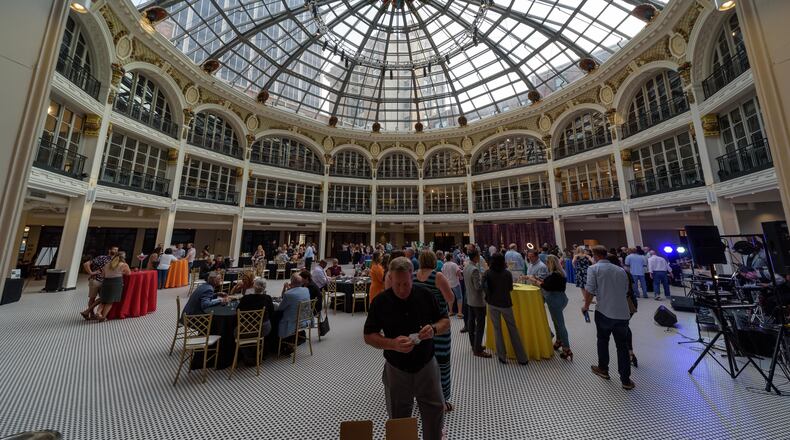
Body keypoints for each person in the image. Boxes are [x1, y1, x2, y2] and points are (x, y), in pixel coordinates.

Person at [364, 257, 450, 440]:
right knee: (398, 417)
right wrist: (392, 343)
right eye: (397, 284)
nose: (402, 289)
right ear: (389, 279)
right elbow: (368, 336)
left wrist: (434, 329)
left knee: (434, 412)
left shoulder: (426, 296)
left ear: (412, 277)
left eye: (406, 284)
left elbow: (445, 322)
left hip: (426, 365)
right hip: (396, 368)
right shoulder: (380, 302)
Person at [582, 246, 634, 390]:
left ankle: (603, 369)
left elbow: (590, 289)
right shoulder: (621, 270)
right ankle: (625, 379)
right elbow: (625, 290)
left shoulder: (594, 269)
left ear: (596, 255)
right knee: (622, 346)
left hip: (604, 311)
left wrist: (586, 306)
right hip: (622, 313)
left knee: (603, 340)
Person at [413, 250, 456, 412]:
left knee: (422, 362)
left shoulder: (414, 276)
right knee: (442, 362)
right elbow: (450, 297)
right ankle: (442, 400)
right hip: (438, 324)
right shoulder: (437, 276)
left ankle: (422, 396)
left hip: (420, 325)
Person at [483, 253, 529, 365]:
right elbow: (510, 288)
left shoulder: (488, 273)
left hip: (493, 304)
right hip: (506, 304)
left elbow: (483, 286)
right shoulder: (507, 273)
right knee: (513, 329)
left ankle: (502, 356)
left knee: (497, 330)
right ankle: (522, 357)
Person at [537, 255, 571, 360]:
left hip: (554, 300)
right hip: (561, 298)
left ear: (550, 263)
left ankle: (567, 349)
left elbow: (548, 286)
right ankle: (559, 340)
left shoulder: (554, 275)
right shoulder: (560, 273)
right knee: (556, 321)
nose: (546, 264)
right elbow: (550, 283)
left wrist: (538, 282)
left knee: (560, 324)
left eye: (547, 262)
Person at [463, 249, 490, 358]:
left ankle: (474, 345)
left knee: (471, 322)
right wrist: (484, 278)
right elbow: (478, 287)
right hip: (478, 301)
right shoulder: (474, 269)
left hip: (470, 299)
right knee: (480, 325)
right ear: (475, 257)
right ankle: (478, 349)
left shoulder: (466, 267)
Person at [80, 246, 118, 320]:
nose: (115, 251)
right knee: (93, 298)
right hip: (96, 281)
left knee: (103, 298)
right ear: (109, 250)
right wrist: (91, 273)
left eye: (117, 250)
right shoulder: (102, 257)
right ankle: (91, 314)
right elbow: (86, 264)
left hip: (104, 282)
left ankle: (88, 312)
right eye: (114, 249)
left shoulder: (114, 261)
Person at [275, 274, 312, 343]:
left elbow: (280, 308)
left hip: (293, 321)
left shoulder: (288, 294)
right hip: (304, 319)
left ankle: (278, 341)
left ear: (291, 282)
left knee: (275, 316)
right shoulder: (306, 290)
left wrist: (285, 289)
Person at [94, 252, 131, 321]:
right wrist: (121, 272)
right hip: (116, 283)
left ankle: (98, 312)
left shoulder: (107, 264)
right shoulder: (124, 265)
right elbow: (129, 273)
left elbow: (102, 275)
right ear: (123, 258)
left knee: (103, 300)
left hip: (106, 282)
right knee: (110, 302)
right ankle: (103, 317)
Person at [441, 253, 462, 318]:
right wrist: (461, 277)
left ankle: (450, 311)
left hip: (448, 284)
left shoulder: (444, 265)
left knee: (450, 298)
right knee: (459, 297)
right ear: (451, 257)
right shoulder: (454, 264)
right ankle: (459, 312)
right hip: (455, 283)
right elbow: (458, 272)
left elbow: (442, 273)